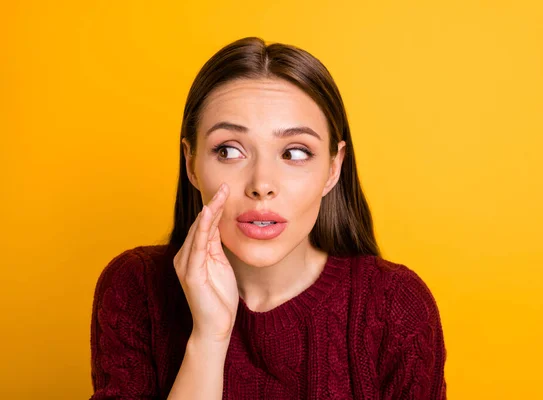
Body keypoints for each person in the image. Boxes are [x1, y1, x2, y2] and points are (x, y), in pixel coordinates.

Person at [89, 36, 447, 399]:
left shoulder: (395, 306)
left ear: (333, 169)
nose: (262, 185)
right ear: (191, 163)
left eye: (294, 153)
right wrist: (209, 338)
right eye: (229, 150)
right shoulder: (136, 287)